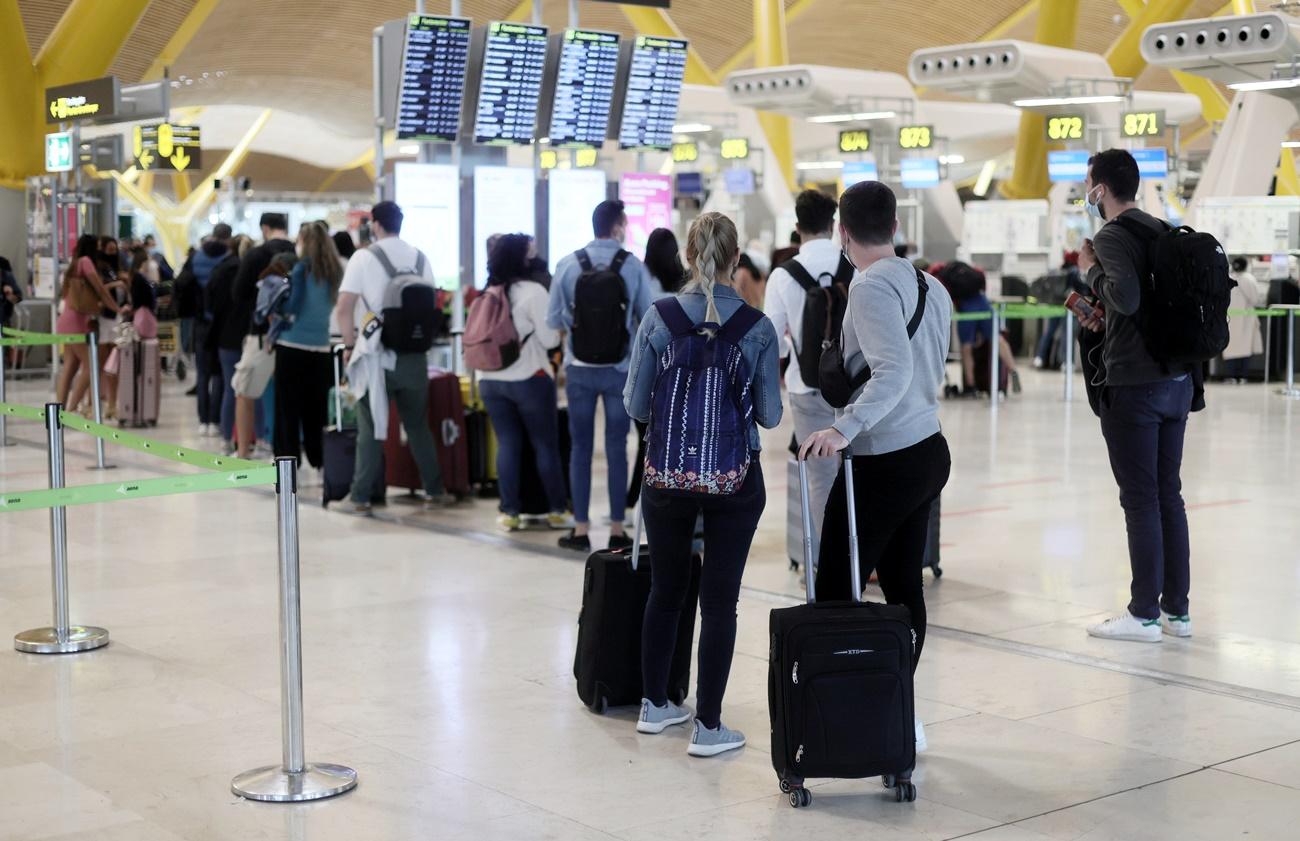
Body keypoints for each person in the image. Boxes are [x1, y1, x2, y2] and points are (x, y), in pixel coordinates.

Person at [800, 181, 953, 753]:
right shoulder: (930, 285)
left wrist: (841, 429)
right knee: (901, 584)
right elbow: (926, 369)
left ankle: (851, 714)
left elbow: (893, 373)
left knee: (837, 583)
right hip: (926, 448)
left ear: (843, 232)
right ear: (893, 225)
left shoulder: (867, 287)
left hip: (884, 457)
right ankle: (898, 708)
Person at [624, 212, 782, 757]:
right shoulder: (756, 328)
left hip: (665, 476)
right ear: (736, 260)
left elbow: (635, 403)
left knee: (665, 592)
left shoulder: (658, 316)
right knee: (719, 603)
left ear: (689, 258)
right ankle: (709, 728)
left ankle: (654, 705)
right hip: (734, 481)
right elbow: (769, 414)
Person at [1076, 148, 1199, 644]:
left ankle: (1144, 613)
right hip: (1177, 380)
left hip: (1135, 386)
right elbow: (1139, 306)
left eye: (1089, 184)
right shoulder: (1162, 229)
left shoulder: (1110, 236)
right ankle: (1178, 612)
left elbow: (1124, 295)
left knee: (1141, 500)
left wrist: (1090, 269)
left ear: (1100, 189)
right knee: (1169, 495)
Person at [335, 200, 456, 512]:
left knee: (371, 427)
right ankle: (435, 489)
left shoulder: (363, 257)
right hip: (414, 357)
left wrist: (349, 345)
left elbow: (345, 306)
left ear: (375, 224)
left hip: (376, 356)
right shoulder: (420, 258)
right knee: (417, 425)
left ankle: (360, 496)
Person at [547, 200, 651, 551]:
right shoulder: (632, 266)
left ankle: (580, 529)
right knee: (617, 447)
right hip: (620, 370)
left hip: (579, 370)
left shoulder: (567, 264)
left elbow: (554, 318)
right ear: (619, 226)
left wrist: (578, 332)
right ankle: (618, 529)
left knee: (580, 448)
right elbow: (647, 319)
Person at [765, 189, 848, 567]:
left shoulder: (783, 274)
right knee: (862, 473)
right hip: (857, 388)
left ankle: (826, 568)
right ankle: (866, 561)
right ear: (833, 225)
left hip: (808, 386)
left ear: (797, 228)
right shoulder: (854, 265)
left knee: (820, 479)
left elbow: (773, 341)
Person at [474, 233, 569, 531]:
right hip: (529, 378)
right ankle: (556, 509)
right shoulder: (533, 292)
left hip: (489, 380)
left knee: (508, 445)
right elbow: (550, 338)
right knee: (545, 446)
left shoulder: (487, 292)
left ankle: (510, 512)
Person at [626, 228, 688, 508]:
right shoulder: (684, 282)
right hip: (678, 369)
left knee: (644, 438)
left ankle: (636, 500)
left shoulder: (642, 278)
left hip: (646, 368)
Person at [273, 222, 341, 468]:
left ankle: (289, 460)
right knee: (316, 409)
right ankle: (318, 458)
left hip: (292, 346)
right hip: (321, 348)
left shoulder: (302, 269)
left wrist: (278, 306)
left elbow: (294, 307)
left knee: (288, 409)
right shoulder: (334, 272)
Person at [228, 213, 294, 457]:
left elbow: (238, 293)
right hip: (295, 337)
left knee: (244, 392)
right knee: (289, 398)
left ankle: (244, 450)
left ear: (265, 228)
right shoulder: (301, 254)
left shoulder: (256, 255)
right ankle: (286, 451)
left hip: (262, 337)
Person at [55, 235, 120, 412]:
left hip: (65, 319)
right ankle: (70, 410)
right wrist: (117, 309)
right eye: (98, 246)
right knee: (92, 365)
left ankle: (59, 412)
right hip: (77, 322)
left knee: (69, 367)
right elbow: (100, 289)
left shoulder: (74, 264)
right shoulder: (85, 262)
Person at [178, 224, 231, 436]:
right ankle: (215, 421)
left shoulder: (196, 257)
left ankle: (203, 420)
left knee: (202, 373)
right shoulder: (228, 259)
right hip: (221, 322)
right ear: (227, 238)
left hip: (199, 322)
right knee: (219, 373)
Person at [207, 234, 254, 453]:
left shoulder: (220, 270)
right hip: (249, 335)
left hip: (225, 335)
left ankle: (227, 438)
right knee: (252, 391)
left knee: (230, 387)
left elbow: (211, 303)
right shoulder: (252, 273)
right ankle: (254, 439)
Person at [1224, 256, 1263, 382]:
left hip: (1230, 318)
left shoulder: (1228, 277)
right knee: (1245, 348)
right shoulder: (1249, 279)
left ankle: (1230, 375)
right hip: (1246, 318)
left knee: (1230, 347)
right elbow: (1256, 299)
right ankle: (1242, 376)